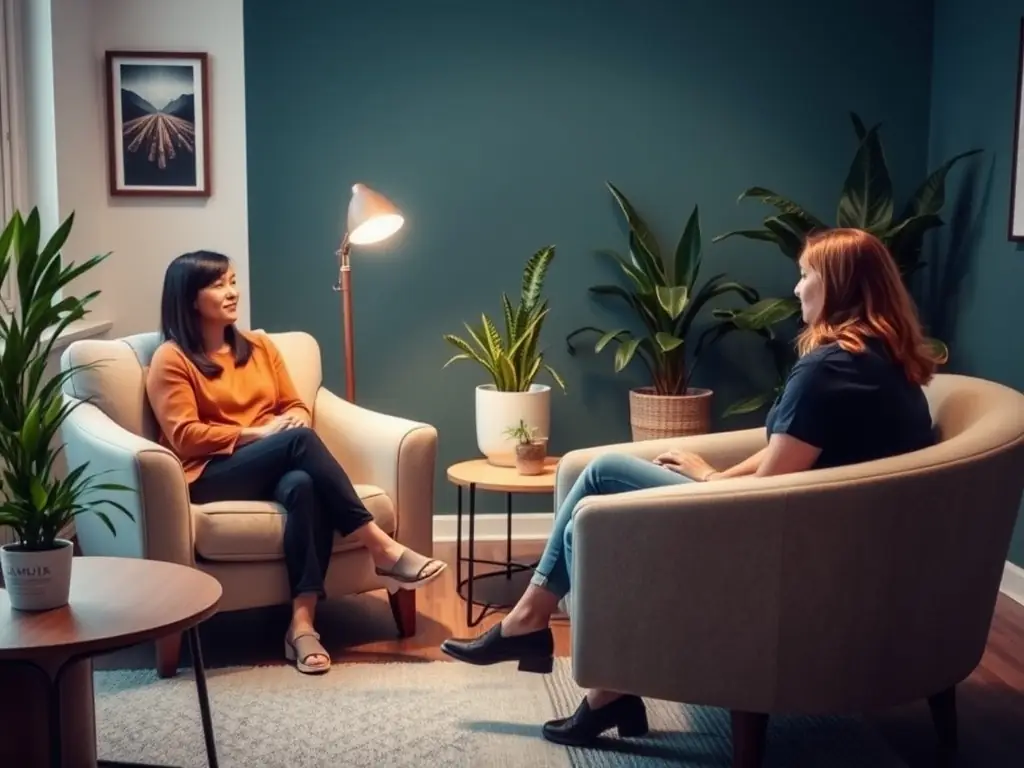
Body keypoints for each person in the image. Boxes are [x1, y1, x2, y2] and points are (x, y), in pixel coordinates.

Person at [440, 227, 938, 746]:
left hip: (771, 544)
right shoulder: (885, 364)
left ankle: (531, 625)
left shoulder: (827, 369)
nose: (796, 288)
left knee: (602, 474)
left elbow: (771, 483)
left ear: (839, 285)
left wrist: (707, 479)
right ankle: (602, 688)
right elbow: (790, 454)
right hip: (818, 542)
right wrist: (715, 476)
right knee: (587, 520)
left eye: (806, 275)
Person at [146, 250, 446, 675]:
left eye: (233, 281)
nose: (232, 292)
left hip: (272, 462)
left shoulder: (260, 347)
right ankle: (381, 547)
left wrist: (292, 422)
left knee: (304, 484)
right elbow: (185, 436)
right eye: (217, 285)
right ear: (190, 298)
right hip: (209, 473)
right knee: (299, 442)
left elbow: (295, 406)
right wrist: (260, 434)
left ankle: (302, 626)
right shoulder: (172, 359)